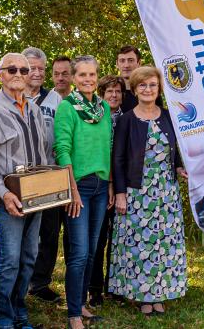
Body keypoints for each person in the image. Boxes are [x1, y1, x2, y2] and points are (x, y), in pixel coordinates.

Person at [0, 53, 53, 329]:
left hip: (36, 195)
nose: (19, 73)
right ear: (0, 75)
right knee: (9, 260)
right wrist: (4, 195)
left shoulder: (33, 109)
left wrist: (50, 185)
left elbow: (44, 152)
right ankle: (3, 318)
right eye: (12, 69)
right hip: (8, 197)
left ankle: (20, 312)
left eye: (24, 69)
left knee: (28, 258)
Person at [108, 66, 189, 316]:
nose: (147, 89)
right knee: (139, 244)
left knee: (164, 243)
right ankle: (143, 296)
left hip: (165, 191)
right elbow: (118, 158)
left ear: (159, 89)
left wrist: (178, 167)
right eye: (142, 85)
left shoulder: (168, 116)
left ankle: (161, 293)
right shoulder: (127, 120)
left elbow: (174, 148)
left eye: (152, 85)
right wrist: (120, 193)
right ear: (134, 89)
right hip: (137, 191)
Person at [54, 56, 110, 328]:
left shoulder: (104, 108)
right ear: (74, 79)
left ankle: (82, 304)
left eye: (92, 74)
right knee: (78, 252)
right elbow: (62, 150)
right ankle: (73, 313)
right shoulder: (67, 108)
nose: (88, 79)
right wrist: (72, 191)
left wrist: (109, 183)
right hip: (79, 187)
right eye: (83, 75)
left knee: (92, 251)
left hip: (101, 186)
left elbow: (107, 148)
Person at [22, 47, 67, 304]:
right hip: (23, 177)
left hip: (50, 174)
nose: (36, 73)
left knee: (49, 232)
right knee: (24, 233)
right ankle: (20, 280)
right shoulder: (11, 96)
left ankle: (40, 283)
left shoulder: (55, 99)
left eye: (40, 68)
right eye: (32, 68)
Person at [88, 74, 127, 305]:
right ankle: (94, 288)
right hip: (100, 184)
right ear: (101, 95)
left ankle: (115, 286)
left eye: (117, 91)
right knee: (98, 237)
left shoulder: (128, 119)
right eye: (109, 92)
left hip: (124, 186)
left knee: (119, 239)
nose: (113, 95)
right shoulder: (93, 119)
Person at [115, 45, 142, 110]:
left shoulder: (149, 92)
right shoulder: (109, 92)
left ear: (139, 63)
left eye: (131, 60)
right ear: (117, 64)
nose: (126, 65)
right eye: (122, 60)